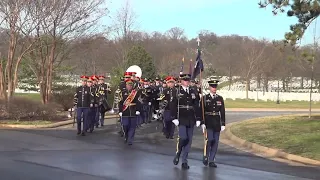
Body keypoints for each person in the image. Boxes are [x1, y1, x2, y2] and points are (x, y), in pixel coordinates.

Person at [171, 73, 201, 169]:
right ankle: (178, 152)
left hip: (191, 118)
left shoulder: (193, 91)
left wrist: (199, 118)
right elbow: (173, 105)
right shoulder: (176, 91)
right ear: (181, 81)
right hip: (181, 118)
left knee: (189, 141)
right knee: (183, 138)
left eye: (188, 80)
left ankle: (184, 161)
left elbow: (196, 105)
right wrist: (174, 117)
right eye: (184, 80)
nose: (186, 82)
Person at [200, 79, 226, 168]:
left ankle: (212, 160)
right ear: (209, 87)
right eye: (212, 87)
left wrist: (223, 123)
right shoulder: (205, 98)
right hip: (208, 121)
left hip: (216, 122)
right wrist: (202, 122)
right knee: (210, 139)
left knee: (215, 141)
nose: (214, 88)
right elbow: (201, 111)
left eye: (215, 87)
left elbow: (222, 111)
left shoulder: (220, 98)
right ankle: (206, 155)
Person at [118, 79, 141, 145]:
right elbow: (120, 103)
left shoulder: (135, 93)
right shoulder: (122, 93)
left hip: (133, 111)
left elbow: (138, 102)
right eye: (128, 85)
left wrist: (138, 110)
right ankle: (126, 136)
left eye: (131, 85)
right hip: (125, 111)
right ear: (126, 85)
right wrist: (120, 111)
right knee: (125, 125)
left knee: (132, 126)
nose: (129, 86)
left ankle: (130, 139)